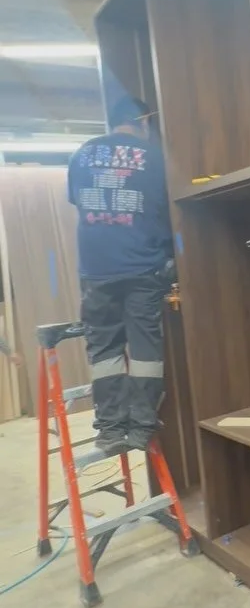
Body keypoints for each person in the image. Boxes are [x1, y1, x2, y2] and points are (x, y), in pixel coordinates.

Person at [67, 96, 174, 458]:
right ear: (143, 121)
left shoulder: (82, 154)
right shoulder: (154, 157)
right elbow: (163, 208)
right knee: (144, 348)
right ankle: (141, 427)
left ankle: (111, 429)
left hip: (96, 269)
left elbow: (80, 201)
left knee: (104, 350)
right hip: (142, 265)